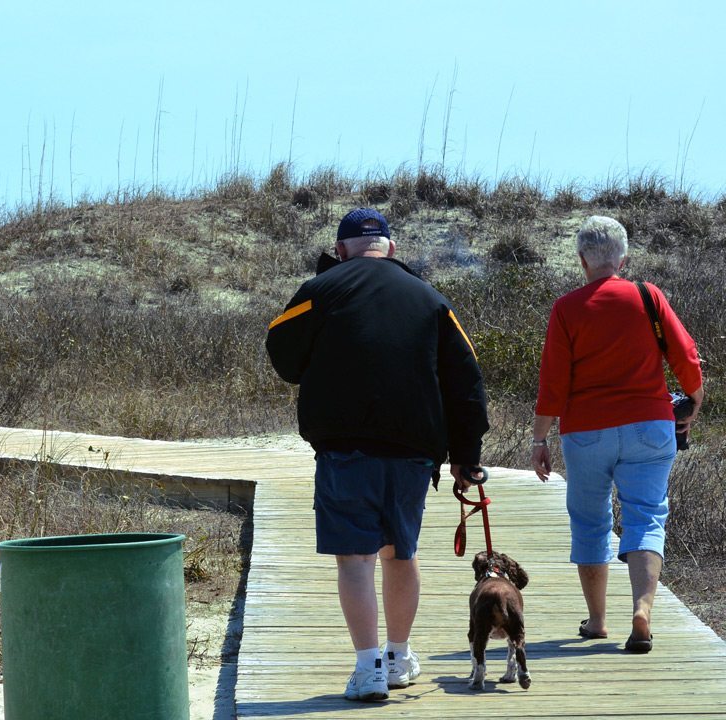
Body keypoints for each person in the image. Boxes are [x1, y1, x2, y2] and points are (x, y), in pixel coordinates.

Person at [267, 207, 489, 701]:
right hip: (413, 453)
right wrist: (466, 454)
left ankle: (368, 668)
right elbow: (466, 381)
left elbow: (280, 351)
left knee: (355, 560)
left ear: (342, 248)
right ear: (391, 247)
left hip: (345, 449)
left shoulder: (320, 292)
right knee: (400, 554)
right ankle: (399, 655)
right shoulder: (431, 299)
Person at [531, 215, 703, 653]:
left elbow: (553, 383)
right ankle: (642, 609)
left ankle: (598, 621)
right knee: (646, 516)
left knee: (590, 521)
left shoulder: (567, 308)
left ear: (581, 259)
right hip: (650, 424)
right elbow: (685, 355)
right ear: (622, 258)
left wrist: (539, 439)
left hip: (586, 431)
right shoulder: (648, 296)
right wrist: (695, 399)